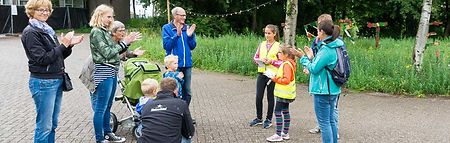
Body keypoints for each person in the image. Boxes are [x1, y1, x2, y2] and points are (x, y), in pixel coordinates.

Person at [21, 0, 83, 142]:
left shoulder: (46, 30)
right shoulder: (31, 32)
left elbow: (58, 55)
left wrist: (68, 46)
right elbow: (42, 59)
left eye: (47, 10)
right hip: (43, 82)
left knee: (52, 124)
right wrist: (63, 45)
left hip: (56, 79)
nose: (45, 13)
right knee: (44, 126)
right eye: (40, 10)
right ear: (32, 11)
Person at [88, 4, 141, 143]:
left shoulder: (105, 31)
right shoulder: (96, 32)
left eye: (112, 17)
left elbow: (116, 52)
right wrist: (126, 42)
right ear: (100, 16)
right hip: (104, 72)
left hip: (112, 71)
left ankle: (108, 133)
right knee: (100, 108)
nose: (111, 19)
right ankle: (100, 139)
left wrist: (127, 45)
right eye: (109, 17)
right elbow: (108, 53)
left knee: (108, 106)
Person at [294, 20, 342, 143]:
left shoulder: (326, 49)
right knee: (331, 121)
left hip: (323, 90)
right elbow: (323, 65)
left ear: (321, 32)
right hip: (333, 89)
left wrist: (302, 57)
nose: (316, 33)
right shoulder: (337, 45)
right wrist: (312, 57)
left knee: (324, 123)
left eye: (317, 31)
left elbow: (314, 69)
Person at [79, 20, 145, 93]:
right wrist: (126, 43)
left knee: (107, 99)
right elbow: (111, 54)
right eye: (120, 31)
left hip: (110, 73)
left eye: (124, 30)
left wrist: (133, 53)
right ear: (113, 32)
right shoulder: (108, 42)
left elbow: (122, 52)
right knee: (98, 98)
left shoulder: (119, 41)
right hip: (94, 72)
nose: (123, 33)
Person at [139, 78, 195, 143]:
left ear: (159, 89)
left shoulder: (147, 106)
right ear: (176, 90)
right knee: (187, 138)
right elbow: (189, 131)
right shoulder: (181, 104)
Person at [162, 7, 197, 106]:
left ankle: (184, 114)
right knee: (173, 91)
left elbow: (193, 46)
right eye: (182, 15)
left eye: (185, 15)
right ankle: (174, 114)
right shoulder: (167, 28)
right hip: (173, 65)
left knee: (187, 92)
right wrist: (177, 35)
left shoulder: (187, 28)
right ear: (175, 16)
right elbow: (166, 45)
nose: (184, 17)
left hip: (187, 64)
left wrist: (190, 36)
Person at [249, 24, 282, 129]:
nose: (267, 35)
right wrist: (257, 61)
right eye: (265, 33)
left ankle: (268, 119)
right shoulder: (262, 44)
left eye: (269, 33)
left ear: (274, 34)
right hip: (261, 73)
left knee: (270, 97)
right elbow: (256, 56)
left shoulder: (278, 46)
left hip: (272, 75)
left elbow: (282, 62)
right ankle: (259, 118)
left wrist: (271, 61)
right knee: (258, 97)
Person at [264, 45, 297, 142]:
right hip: (287, 94)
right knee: (285, 112)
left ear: (285, 54)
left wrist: (274, 78)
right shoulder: (288, 63)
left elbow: (286, 80)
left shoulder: (286, 64)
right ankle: (285, 133)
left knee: (277, 112)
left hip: (283, 94)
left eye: (279, 52)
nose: (277, 54)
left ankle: (278, 134)